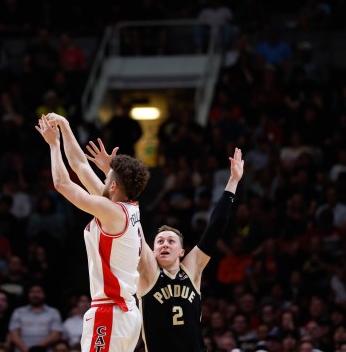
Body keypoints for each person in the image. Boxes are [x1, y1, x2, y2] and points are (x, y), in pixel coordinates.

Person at [86, 145, 243, 352]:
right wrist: (111, 175)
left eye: (171, 241)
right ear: (151, 250)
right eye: (160, 241)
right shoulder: (149, 271)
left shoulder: (192, 269)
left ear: (182, 252)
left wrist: (233, 181)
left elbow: (215, 226)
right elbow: (131, 220)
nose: (165, 244)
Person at [36, 113, 150, 352]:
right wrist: (65, 126)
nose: (103, 174)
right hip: (123, 312)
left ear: (114, 186)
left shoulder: (111, 211)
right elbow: (79, 166)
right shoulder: (124, 209)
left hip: (112, 311)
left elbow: (63, 184)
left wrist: (54, 145)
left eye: (107, 175)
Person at [8, 284, 62, 352]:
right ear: (28, 294)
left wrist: (36, 350)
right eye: (32, 292)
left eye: (38, 292)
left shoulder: (53, 312)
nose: (35, 295)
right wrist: (28, 350)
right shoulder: (18, 312)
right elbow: (14, 336)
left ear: (44, 294)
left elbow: (55, 335)